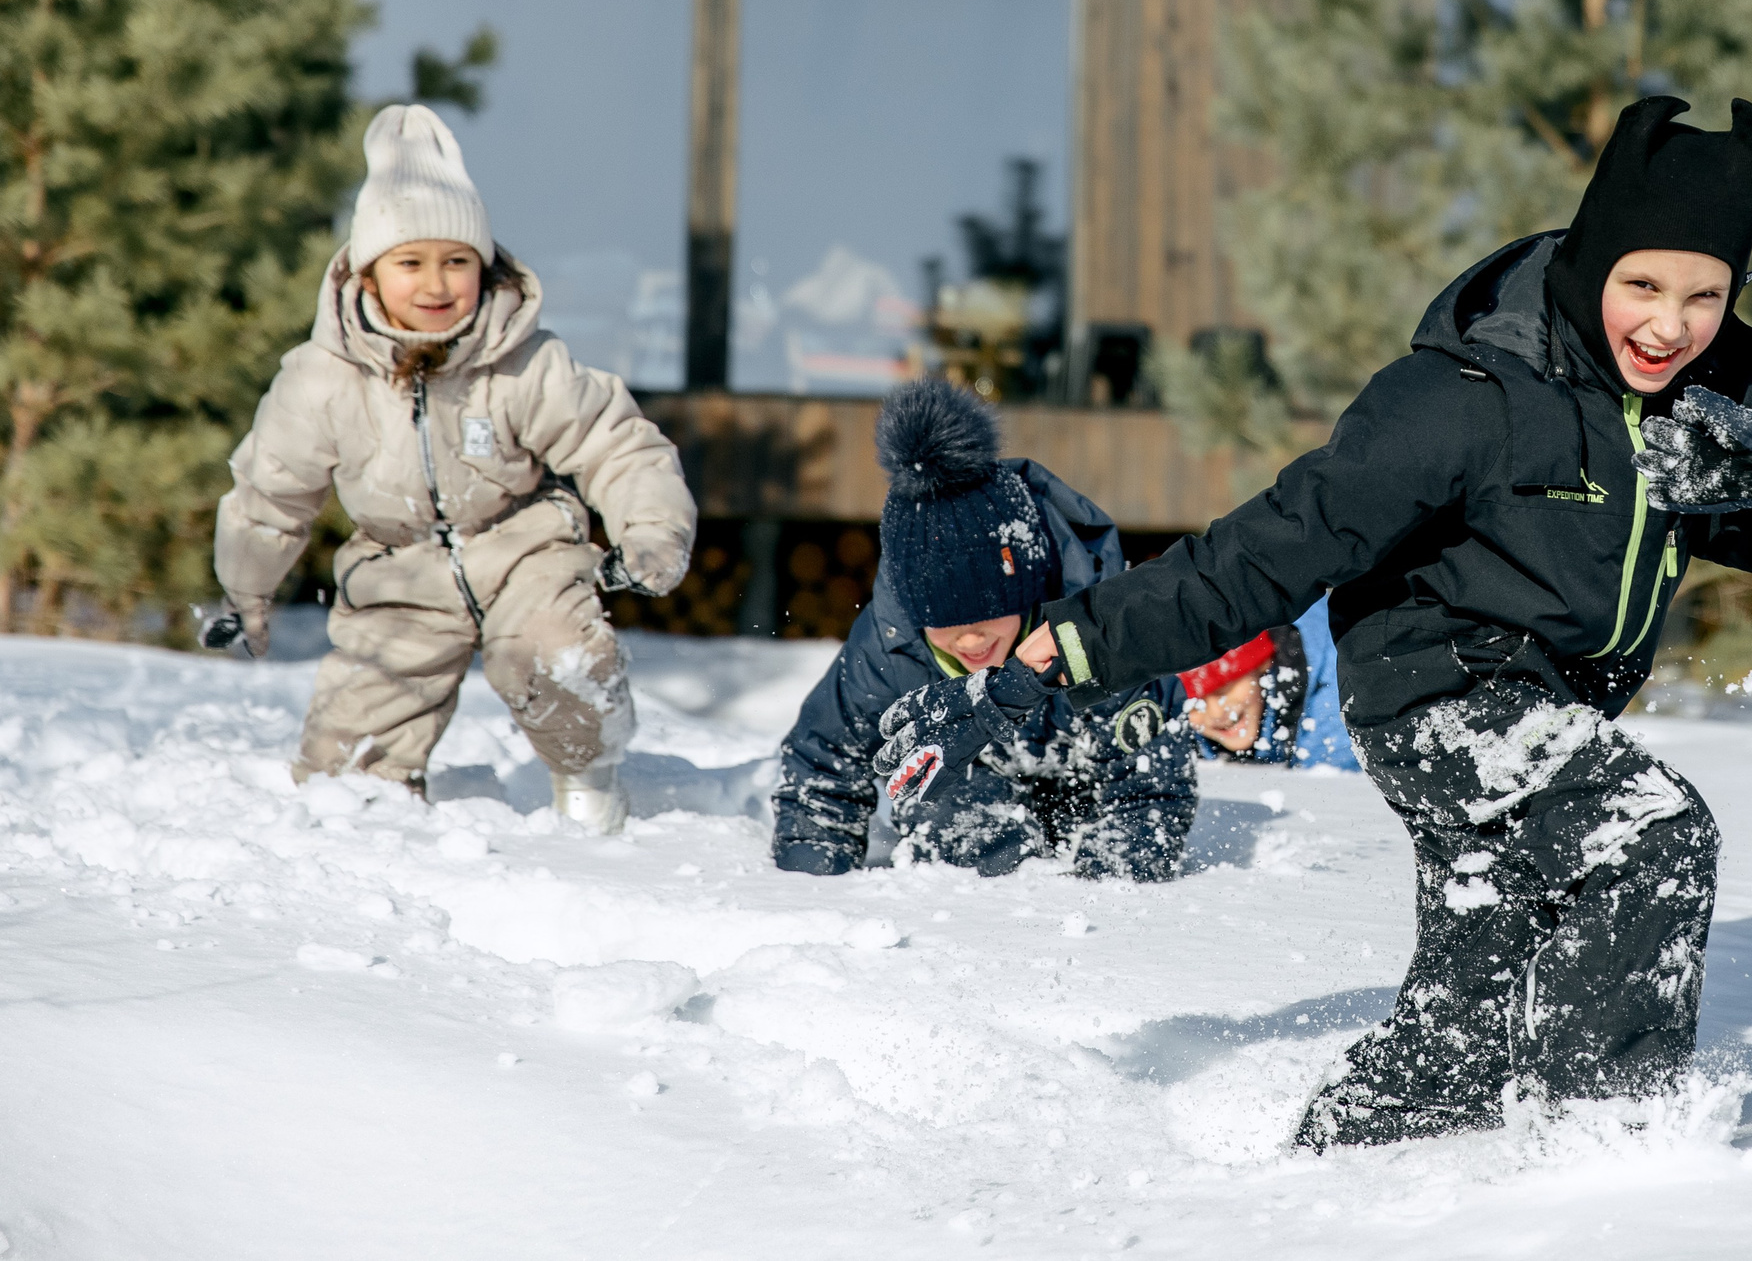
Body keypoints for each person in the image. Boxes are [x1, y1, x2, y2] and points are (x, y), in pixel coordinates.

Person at [898, 95, 1752, 1149]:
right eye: (1643, 285)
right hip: (1438, 691)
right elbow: (1265, 551)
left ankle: (1331, 1161)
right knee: (1649, 835)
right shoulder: (1463, 397)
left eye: (1705, 294)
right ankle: (1609, 1146)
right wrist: (1072, 642)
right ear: (1588, 266)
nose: (1671, 323)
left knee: (1477, 1001)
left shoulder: (1679, 413)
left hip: (1541, 706)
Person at [203, 106, 695, 835]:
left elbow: (616, 443)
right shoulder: (322, 379)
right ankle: (372, 830)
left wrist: (652, 529)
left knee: (554, 655)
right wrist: (246, 589)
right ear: (367, 276)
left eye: (457, 262)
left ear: (484, 266)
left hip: (521, 545)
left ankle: (590, 781)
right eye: (410, 263)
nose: (436, 285)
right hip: (397, 569)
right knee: (348, 760)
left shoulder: (523, 361)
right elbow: (270, 491)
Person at [770, 378, 1196, 881]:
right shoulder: (892, 650)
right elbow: (821, 765)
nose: (971, 641)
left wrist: (1105, 889)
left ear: (1028, 588)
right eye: (947, 625)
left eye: (989, 614)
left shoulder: (1095, 633)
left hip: (1081, 804)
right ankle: (992, 896)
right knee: (937, 792)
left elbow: (1150, 787)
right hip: (967, 820)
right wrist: (814, 885)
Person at [1180, 597, 1358, 771]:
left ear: (1262, 663)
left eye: (1224, 690)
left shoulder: (1342, 705)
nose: (1217, 712)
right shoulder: (1186, 739)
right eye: (1195, 704)